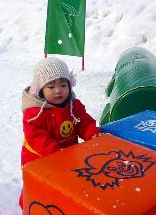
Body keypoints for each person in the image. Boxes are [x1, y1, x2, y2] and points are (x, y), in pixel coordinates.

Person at [19, 57, 101, 209]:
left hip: (67, 155)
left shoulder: (73, 106)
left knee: (65, 183)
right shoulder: (34, 113)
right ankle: (32, 205)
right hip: (39, 158)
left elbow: (84, 122)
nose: (58, 91)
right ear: (40, 90)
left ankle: (63, 205)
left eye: (63, 85)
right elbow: (36, 137)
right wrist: (57, 154)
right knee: (41, 186)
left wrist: (92, 134)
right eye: (51, 87)